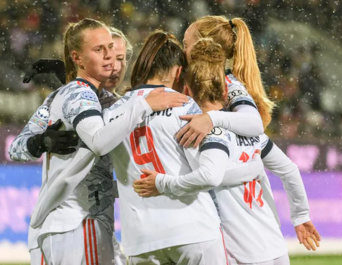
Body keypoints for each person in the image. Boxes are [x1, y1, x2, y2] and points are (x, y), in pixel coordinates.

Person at [9, 18, 187, 265]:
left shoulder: (119, 105)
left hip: (79, 223)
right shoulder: (77, 98)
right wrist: (40, 142)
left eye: (120, 56)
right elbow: (16, 148)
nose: (114, 62)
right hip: (77, 222)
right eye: (101, 51)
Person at [134, 38, 321, 265]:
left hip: (239, 252)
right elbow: (289, 170)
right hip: (274, 245)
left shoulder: (195, 134)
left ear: (185, 88)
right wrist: (301, 216)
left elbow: (210, 177)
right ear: (225, 90)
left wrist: (162, 183)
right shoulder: (252, 134)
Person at [102, 30, 240, 265]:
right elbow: (209, 174)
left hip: (141, 241)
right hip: (193, 231)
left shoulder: (111, 113)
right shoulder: (183, 106)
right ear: (178, 71)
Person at [177, 16, 275, 148]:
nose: (182, 52)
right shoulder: (191, 78)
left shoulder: (227, 83)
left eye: (186, 45)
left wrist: (211, 119)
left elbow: (254, 123)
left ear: (204, 46)